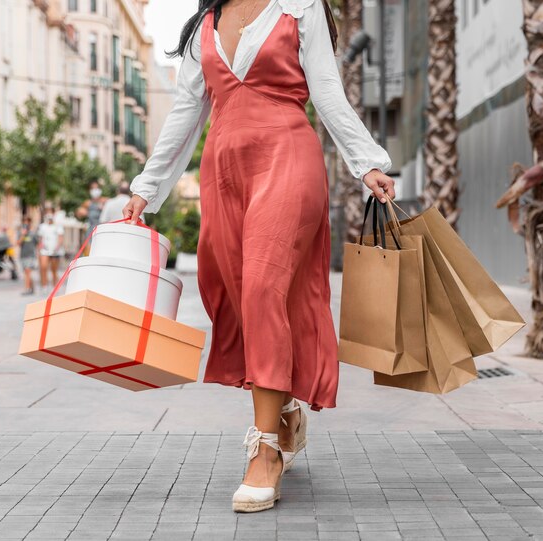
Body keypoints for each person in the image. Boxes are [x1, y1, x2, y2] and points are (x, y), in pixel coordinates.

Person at [123, 0, 396, 513]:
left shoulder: (301, 8)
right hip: (223, 172)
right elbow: (186, 111)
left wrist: (367, 163)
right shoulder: (203, 24)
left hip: (288, 157)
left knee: (262, 288)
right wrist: (148, 187)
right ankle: (286, 407)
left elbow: (327, 89)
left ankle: (265, 449)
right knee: (239, 296)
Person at [37, 210, 64, 292]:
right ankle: (44, 285)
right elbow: (40, 238)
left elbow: (60, 238)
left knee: (54, 269)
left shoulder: (58, 226)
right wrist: (40, 246)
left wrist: (57, 246)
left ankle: (55, 285)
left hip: (55, 251)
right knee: (43, 267)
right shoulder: (42, 226)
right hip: (45, 250)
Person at [17, 216, 38, 295]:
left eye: (27, 222)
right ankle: (31, 287)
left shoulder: (33, 233)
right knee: (27, 273)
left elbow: (38, 244)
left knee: (27, 271)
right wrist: (23, 235)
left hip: (31, 255)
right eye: (24, 222)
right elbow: (18, 243)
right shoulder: (20, 233)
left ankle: (27, 289)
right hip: (23, 256)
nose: (26, 224)